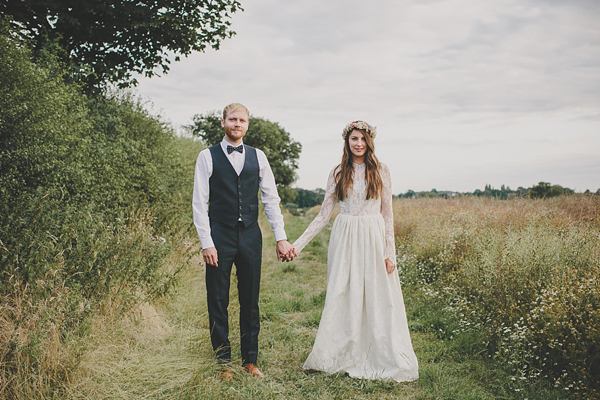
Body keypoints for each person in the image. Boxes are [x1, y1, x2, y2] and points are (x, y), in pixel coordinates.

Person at [288, 120, 419, 382]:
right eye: (353, 139)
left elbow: (388, 214)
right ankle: (341, 351)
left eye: (362, 139)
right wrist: (297, 245)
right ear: (347, 142)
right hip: (345, 235)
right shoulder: (338, 172)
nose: (358, 144)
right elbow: (324, 215)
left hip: (373, 235)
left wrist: (390, 252)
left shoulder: (381, 170)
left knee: (377, 294)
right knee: (342, 291)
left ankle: (378, 354)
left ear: (369, 142)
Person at [192, 103, 295, 381]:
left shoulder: (258, 156)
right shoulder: (207, 156)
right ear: (223, 122)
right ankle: (223, 363)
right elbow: (199, 203)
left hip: (250, 235)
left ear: (247, 125)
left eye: (242, 120)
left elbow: (271, 199)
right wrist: (206, 242)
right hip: (219, 236)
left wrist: (281, 237)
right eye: (233, 119)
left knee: (250, 300)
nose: (237, 124)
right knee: (218, 298)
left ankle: (250, 361)